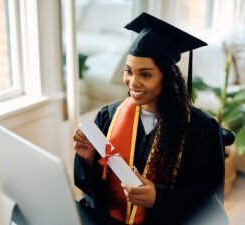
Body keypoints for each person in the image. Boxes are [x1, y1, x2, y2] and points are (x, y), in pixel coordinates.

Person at [73, 12, 229, 225]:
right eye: (129, 71)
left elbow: (206, 198)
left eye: (145, 74)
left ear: (167, 77)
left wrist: (158, 198)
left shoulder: (200, 129)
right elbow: (94, 194)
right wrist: (90, 160)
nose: (133, 82)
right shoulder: (108, 117)